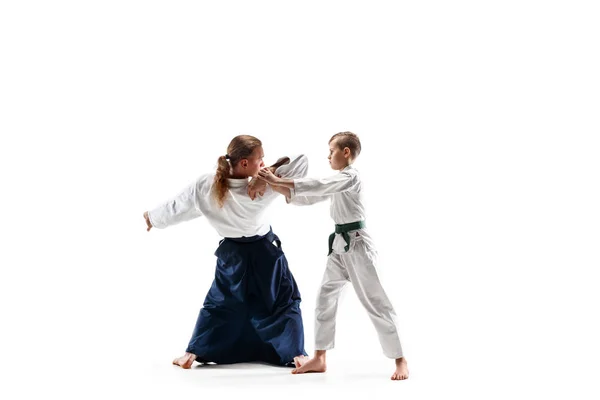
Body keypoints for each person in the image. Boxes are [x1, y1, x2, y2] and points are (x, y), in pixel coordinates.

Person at [144, 135, 310, 369]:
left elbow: (180, 207)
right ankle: (296, 354)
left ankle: (192, 353)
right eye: (260, 160)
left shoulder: (206, 185)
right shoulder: (263, 188)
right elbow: (302, 162)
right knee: (282, 301)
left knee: (221, 303)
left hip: (232, 257)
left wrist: (153, 218)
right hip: (264, 256)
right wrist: (267, 177)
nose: (263, 164)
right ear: (244, 163)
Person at [257, 131, 409, 380]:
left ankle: (400, 360)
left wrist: (275, 178)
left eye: (331, 151)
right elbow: (311, 197)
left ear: (345, 152)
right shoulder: (340, 181)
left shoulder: (350, 177)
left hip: (358, 246)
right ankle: (319, 357)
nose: (328, 156)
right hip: (339, 246)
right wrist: (274, 184)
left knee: (376, 301)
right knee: (325, 299)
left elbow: (319, 184)